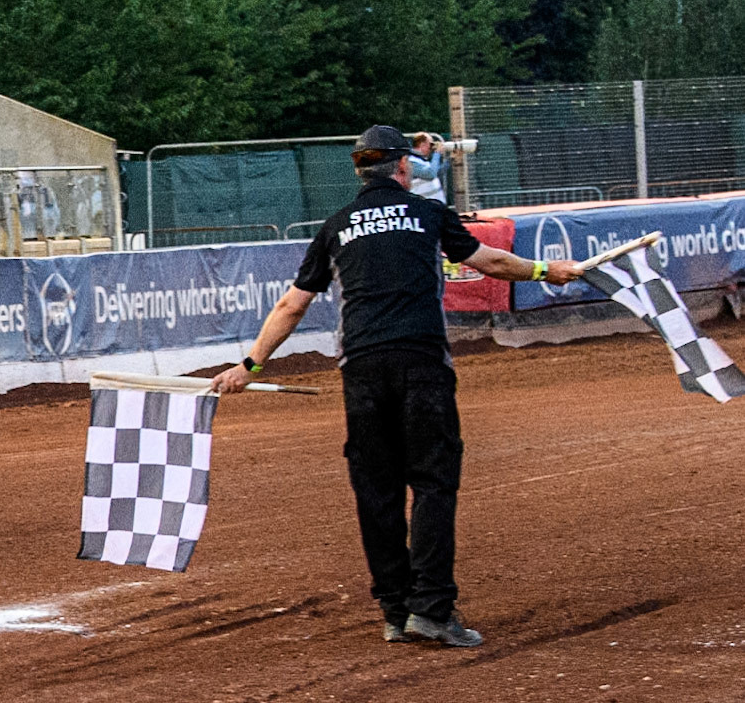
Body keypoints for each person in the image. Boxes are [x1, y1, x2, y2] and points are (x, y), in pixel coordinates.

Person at [211, 125, 584, 648]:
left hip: (361, 369)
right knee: (432, 482)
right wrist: (548, 270)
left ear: (361, 170)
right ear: (404, 169)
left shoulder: (336, 226)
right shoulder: (430, 215)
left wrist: (247, 366)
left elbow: (291, 305)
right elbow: (493, 262)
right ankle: (431, 608)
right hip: (421, 362)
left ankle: (394, 609)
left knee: (377, 490)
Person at [409, 132, 446, 203]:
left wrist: (452, 159)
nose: (431, 148)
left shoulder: (421, 160)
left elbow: (437, 173)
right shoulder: (411, 161)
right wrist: (437, 153)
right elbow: (430, 174)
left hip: (434, 205)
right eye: (431, 144)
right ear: (422, 145)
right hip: (424, 206)